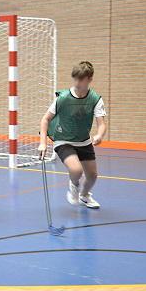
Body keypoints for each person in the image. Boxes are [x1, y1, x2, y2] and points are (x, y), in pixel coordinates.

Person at [38, 61, 107, 209]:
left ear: (89, 79)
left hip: (84, 141)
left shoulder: (95, 99)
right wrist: (42, 142)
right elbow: (45, 119)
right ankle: (74, 184)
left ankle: (84, 195)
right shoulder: (63, 98)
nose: (77, 82)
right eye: (75, 78)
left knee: (92, 176)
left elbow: (101, 124)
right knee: (76, 170)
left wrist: (99, 135)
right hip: (63, 139)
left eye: (80, 79)